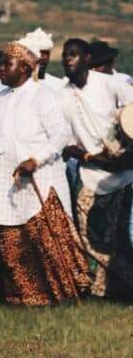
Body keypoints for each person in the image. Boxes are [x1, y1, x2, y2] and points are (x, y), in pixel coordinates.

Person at [0, 42, 89, 305]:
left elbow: (61, 135)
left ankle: (61, 293)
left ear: (26, 68)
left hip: (38, 180)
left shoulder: (42, 95)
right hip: (7, 183)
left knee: (45, 242)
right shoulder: (1, 99)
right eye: (1, 63)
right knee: (11, 242)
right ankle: (24, 296)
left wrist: (35, 159)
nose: (1, 68)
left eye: (8, 63)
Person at [60, 38, 133, 299]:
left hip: (122, 173)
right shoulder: (62, 94)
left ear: (88, 58)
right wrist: (91, 156)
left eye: (74, 54)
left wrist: (126, 149)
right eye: (65, 55)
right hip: (89, 172)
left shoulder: (111, 84)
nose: (68, 59)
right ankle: (108, 284)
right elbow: (66, 144)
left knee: (118, 237)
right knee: (87, 236)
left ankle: (113, 288)